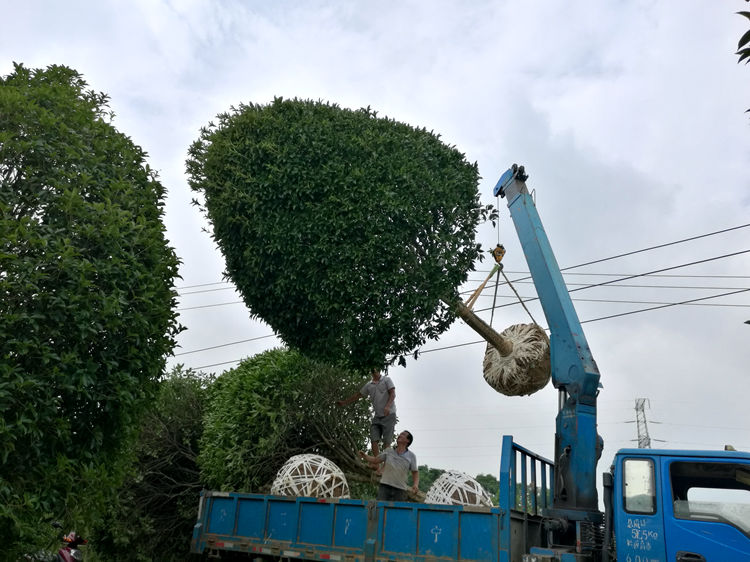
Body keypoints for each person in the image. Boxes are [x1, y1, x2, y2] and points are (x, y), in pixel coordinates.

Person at [337, 369, 396, 459]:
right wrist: (344, 402)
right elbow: (358, 395)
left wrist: (387, 406)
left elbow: (392, 394)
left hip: (389, 415)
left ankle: (386, 466)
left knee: (386, 442)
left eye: (375, 369)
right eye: (372, 370)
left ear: (379, 370)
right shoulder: (369, 385)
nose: (373, 371)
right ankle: (377, 464)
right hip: (377, 416)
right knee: (374, 439)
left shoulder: (386, 380)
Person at [359, 430, 418, 501]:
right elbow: (375, 460)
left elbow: (415, 472)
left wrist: (415, 485)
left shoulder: (411, 456)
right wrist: (365, 456)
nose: (400, 435)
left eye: (403, 434)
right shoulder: (388, 451)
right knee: (380, 508)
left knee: (397, 510)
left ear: (407, 441)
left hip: (400, 489)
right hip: (384, 486)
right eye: (400, 434)